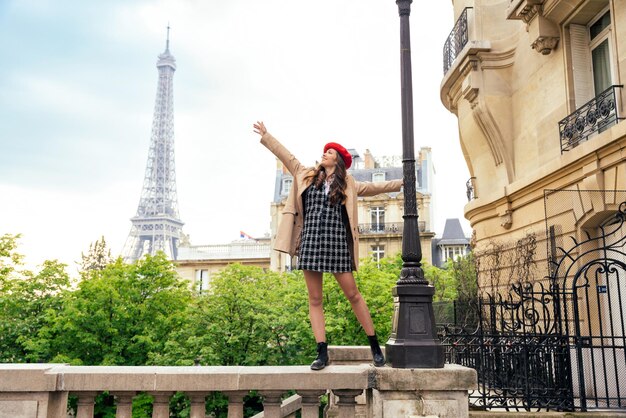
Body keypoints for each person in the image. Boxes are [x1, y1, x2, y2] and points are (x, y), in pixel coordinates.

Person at [253, 121, 403, 370]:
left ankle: (375, 347)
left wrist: (401, 183)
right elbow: (285, 155)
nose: (324, 153)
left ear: (338, 161)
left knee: (353, 294)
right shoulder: (304, 174)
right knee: (315, 299)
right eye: (325, 151)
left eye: (330, 152)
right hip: (311, 242)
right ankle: (322, 353)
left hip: (336, 243)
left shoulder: (349, 184)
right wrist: (267, 136)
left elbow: (376, 187)